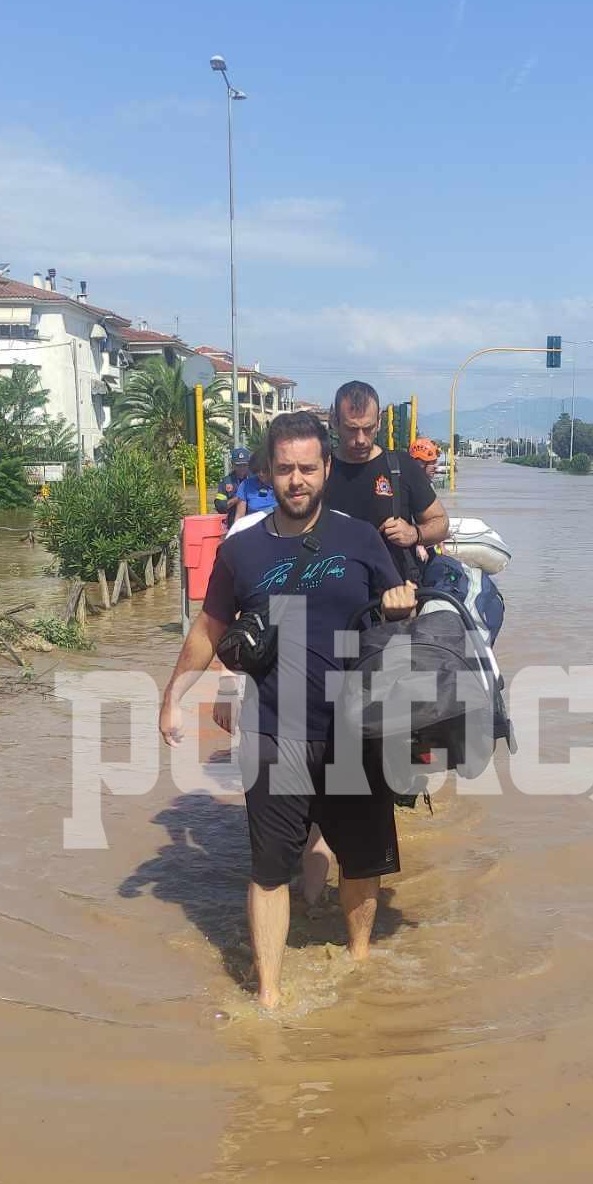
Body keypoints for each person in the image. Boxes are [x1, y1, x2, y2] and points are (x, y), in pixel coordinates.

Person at [159, 410, 415, 1010]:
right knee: (270, 868)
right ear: (266, 473)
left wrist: (400, 604)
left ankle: (358, 966)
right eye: (284, 469)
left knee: (360, 859)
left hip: (355, 728)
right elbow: (209, 628)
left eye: (307, 468)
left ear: (326, 469)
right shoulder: (242, 551)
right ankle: (269, 998)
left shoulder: (360, 539)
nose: (296, 480)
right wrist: (174, 696)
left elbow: (394, 610)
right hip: (277, 729)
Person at [324, 382, 449, 578]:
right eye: (351, 429)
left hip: (394, 598)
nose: (361, 439)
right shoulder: (319, 470)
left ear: (379, 422)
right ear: (334, 421)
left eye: (368, 429)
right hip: (333, 597)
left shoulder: (401, 467)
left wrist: (415, 534)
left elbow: (441, 523)